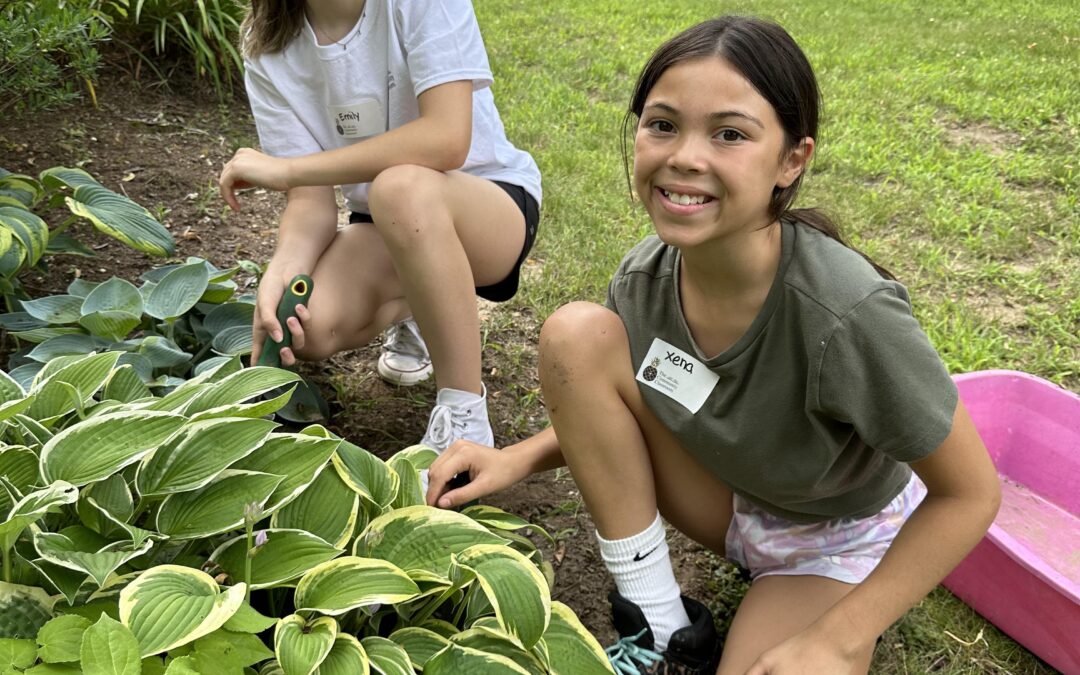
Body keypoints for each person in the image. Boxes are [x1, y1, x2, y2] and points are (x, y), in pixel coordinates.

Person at [425, 16, 1001, 675]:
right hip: (731, 497)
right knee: (577, 334)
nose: (684, 157)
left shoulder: (848, 313)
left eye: (729, 133)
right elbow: (630, 405)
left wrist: (841, 636)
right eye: (662, 124)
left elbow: (970, 495)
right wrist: (516, 459)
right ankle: (660, 624)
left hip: (834, 542)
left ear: (792, 160)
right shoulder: (644, 280)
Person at [218, 0, 541, 453]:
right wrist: (284, 270)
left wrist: (288, 169)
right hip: (385, 221)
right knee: (308, 325)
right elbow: (310, 202)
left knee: (399, 189)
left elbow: (447, 138)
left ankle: (465, 417)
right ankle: (421, 307)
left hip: (490, 204)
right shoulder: (269, 44)